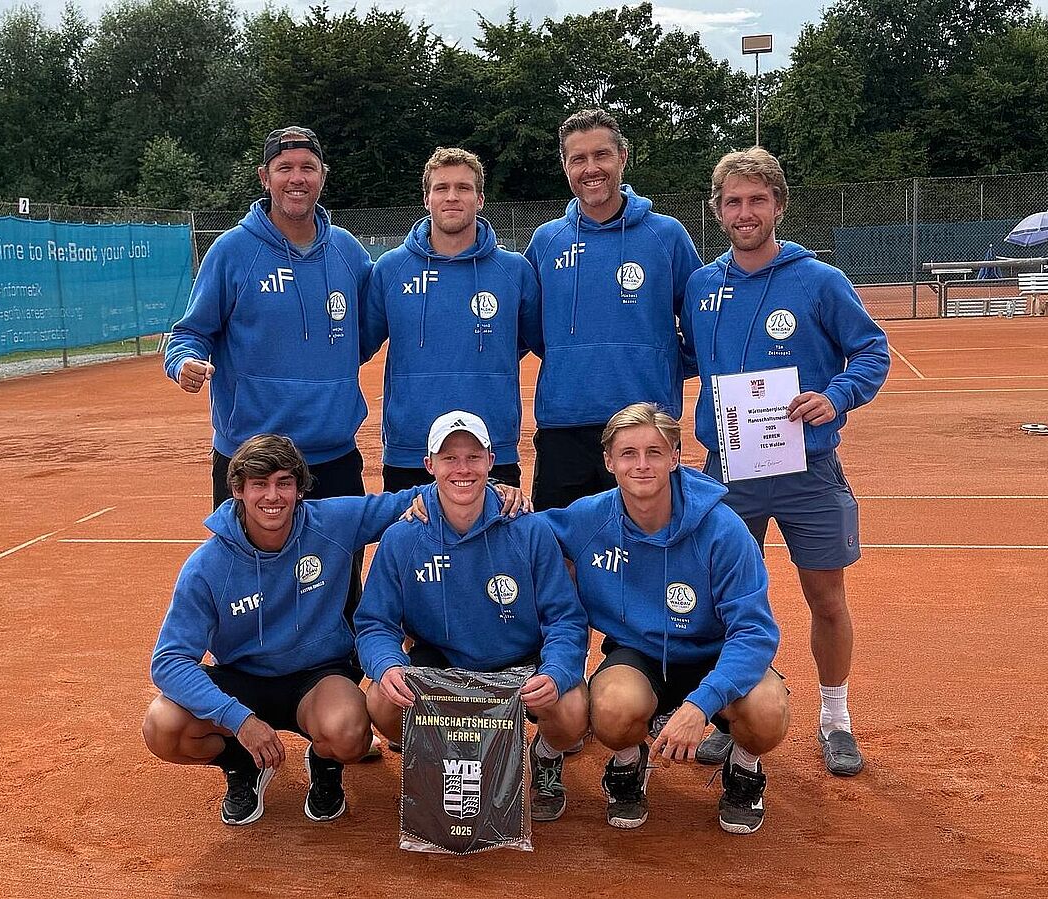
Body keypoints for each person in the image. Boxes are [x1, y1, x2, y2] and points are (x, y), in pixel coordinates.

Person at [141, 434, 526, 825]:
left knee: (349, 733)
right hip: (240, 679)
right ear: (238, 490)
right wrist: (238, 720)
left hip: (318, 678)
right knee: (163, 726)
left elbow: (416, 498)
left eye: (284, 483)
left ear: (300, 489)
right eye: (259, 484)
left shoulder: (332, 522)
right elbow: (170, 661)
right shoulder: (207, 566)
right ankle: (242, 764)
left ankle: (324, 765)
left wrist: (492, 488)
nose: (273, 496)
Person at [680, 147, 890, 777]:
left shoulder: (819, 280)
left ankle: (835, 717)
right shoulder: (701, 287)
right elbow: (685, 359)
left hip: (808, 470)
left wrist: (836, 397)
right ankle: (735, 713)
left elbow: (872, 351)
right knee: (725, 600)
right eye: (733, 202)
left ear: (778, 205)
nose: (745, 212)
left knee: (825, 596)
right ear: (718, 211)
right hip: (729, 472)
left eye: (757, 200)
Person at [540, 403, 789, 834]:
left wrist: (700, 705)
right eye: (628, 453)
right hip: (639, 654)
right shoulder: (588, 519)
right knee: (611, 708)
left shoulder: (723, 529)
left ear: (674, 457)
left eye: (654, 452)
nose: (641, 464)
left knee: (768, 711)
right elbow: (519, 531)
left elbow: (754, 632)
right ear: (609, 461)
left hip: (715, 654)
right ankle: (627, 763)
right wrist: (484, 497)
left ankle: (744, 767)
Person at [355, 411, 590, 823]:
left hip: (519, 665)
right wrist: (387, 665)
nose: (462, 469)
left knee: (571, 709)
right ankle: (438, 759)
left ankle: (546, 755)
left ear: (491, 461)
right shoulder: (403, 537)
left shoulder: (529, 530)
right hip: (442, 664)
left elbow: (565, 619)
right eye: (449, 458)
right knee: (382, 699)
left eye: (473, 457)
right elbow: (375, 622)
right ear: (429, 465)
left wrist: (555, 672)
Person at [163, 126, 373, 510]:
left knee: (341, 554)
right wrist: (183, 362)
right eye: (284, 168)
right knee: (247, 554)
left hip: (334, 458)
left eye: (308, 167)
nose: (297, 178)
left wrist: (333, 368)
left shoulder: (348, 251)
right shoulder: (231, 251)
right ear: (265, 177)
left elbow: (368, 329)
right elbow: (190, 333)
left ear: (323, 176)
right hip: (251, 459)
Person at [524, 108, 702, 510]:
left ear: (622, 156)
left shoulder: (666, 235)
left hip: (645, 424)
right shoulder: (546, 241)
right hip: (564, 427)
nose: (591, 168)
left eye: (601, 155)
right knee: (562, 543)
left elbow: (701, 319)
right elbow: (532, 330)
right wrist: (570, 360)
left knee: (650, 539)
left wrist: (665, 364)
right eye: (578, 159)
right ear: (565, 166)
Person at [361, 148, 542, 491]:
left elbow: (536, 342)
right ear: (426, 199)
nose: (452, 197)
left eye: (463, 188)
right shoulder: (390, 269)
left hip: (490, 449)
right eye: (441, 188)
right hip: (411, 451)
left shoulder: (515, 270)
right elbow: (357, 344)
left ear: (480, 199)